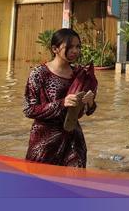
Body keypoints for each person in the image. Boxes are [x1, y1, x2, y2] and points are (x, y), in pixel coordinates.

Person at [23, 28, 96, 167]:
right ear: (55, 49)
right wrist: (62, 103)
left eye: (78, 46)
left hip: (73, 138)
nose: (75, 51)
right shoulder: (39, 74)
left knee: (74, 182)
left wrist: (90, 103)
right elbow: (29, 109)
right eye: (70, 47)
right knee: (40, 184)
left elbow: (89, 110)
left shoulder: (80, 74)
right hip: (45, 140)